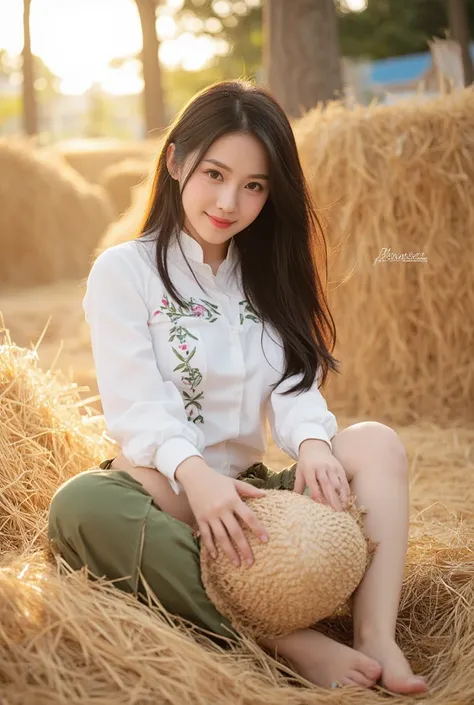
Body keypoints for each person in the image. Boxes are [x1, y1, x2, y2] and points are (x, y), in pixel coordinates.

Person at [48, 79, 426, 694]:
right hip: (167, 491)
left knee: (377, 443)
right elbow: (137, 405)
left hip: (252, 503)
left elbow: (295, 386)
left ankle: (375, 636)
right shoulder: (125, 271)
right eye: (215, 174)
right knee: (81, 506)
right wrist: (196, 480)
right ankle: (286, 641)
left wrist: (311, 444)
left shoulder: (268, 274)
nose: (230, 201)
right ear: (175, 162)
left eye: (254, 186)